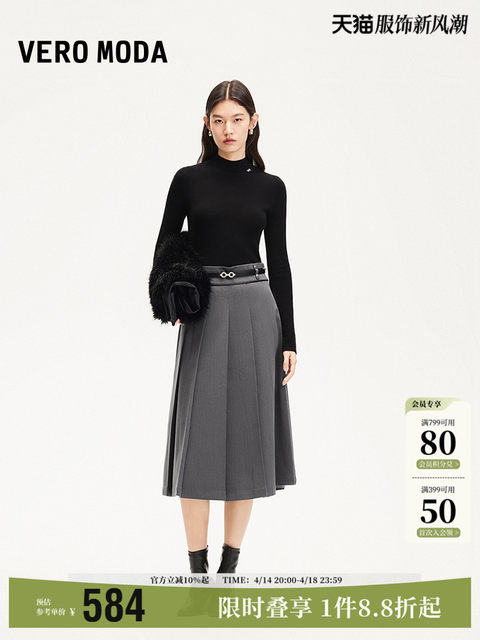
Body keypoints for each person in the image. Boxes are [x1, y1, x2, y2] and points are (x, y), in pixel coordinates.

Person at [150, 79, 297, 574]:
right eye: (219, 120)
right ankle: (197, 573)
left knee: (247, 441)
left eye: (237, 119)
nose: (228, 129)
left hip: (256, 306)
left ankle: (228, 571)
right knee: (197, 440)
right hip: (205, 306)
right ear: (206, 124)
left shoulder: (271, 187)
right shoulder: (187, 180)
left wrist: (290, 338)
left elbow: (280, 262)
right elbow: (165, 246)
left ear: (253, 122)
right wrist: (171, 295)